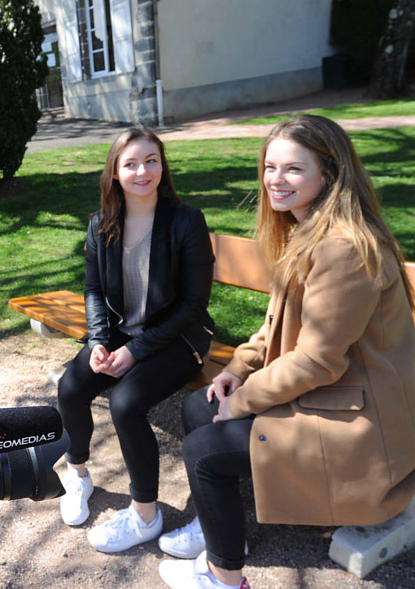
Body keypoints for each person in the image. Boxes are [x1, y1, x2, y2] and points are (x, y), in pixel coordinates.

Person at [157, 115, 415, 589]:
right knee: (202, 404)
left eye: (294, 169)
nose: (276, 180)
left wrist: (245, 400)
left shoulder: (343, 249)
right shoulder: (309, 231)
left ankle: (224, 576)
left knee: (204, 450)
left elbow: (318, 360)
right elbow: (276, 325)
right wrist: (237, 369)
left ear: (329, 174)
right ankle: (223, 529)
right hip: (333, 393)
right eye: (270, 167)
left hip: (358, 419)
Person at [56, 126, 215, 553]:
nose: (142, 171)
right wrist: (100, 343)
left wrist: (135, 352)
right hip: (121, 332)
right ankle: (79, 475)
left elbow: (194, 305)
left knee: (126, 404)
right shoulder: (100, 225)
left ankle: (146, 514)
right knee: (71, 387)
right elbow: (93, 291)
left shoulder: (186, 221)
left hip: (180, 338)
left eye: (151, 161)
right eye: (131, 163)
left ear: (162, 166)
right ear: (114, 173)